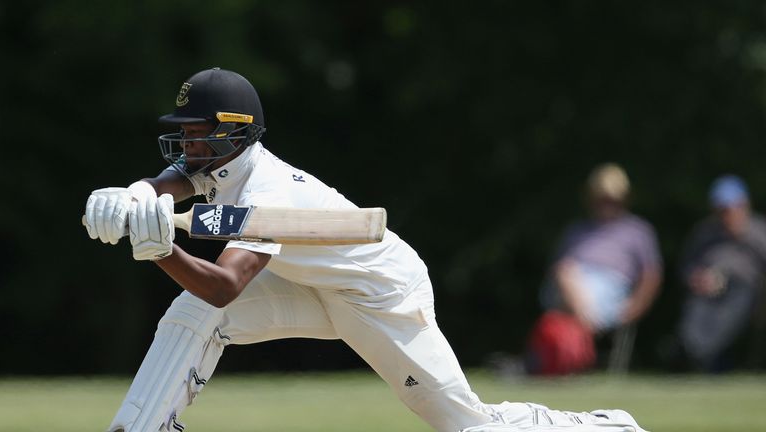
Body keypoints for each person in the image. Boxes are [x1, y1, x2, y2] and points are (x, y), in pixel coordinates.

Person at [84, 67, 649, 432]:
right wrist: (135, 195)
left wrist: (160, 251)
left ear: (233, 132)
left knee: (469, 426)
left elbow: (226, 284)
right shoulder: (216, 163)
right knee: (192, 314)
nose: (185, 143)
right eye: (182, 131)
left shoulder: (269, 192)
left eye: (195, 132)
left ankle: (603, 427)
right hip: (309, 284)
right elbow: (177, 181)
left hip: (378, 294)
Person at [528, 163, 663, 375]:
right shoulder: (576, 230)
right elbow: (554, 271)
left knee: (566, 273)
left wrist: (634, 309)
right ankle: (581, 338)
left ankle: (573, 351)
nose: (606, 204)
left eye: (612, 199)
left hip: (610, 291)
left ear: (624, 199)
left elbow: (651, 276)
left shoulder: (637, 230)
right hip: (565, 289)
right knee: (565, 273)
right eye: (601, 198)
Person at [672, 174, 766, 372]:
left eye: (730, 208)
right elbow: (686, 266)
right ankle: (691, 352)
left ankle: (704, 358)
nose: (726, 215)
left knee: (729, 312)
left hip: (745, 290)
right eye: (721, 209)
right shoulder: (705, 232)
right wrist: (694, 278)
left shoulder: (759, 232)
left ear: (744, 205)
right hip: (706, 287)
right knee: (693, 318)